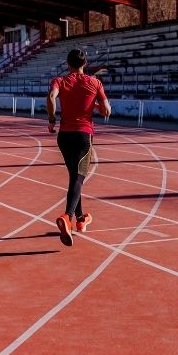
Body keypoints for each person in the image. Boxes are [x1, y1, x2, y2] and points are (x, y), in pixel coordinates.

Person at [46, 48, 111, 246]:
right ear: (85, 64)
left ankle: (81, 219)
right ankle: (67, 217)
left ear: (68, 64)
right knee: (77, 177)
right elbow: (107, 111)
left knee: (75, 177)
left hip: (64, 136)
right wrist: (96, 106)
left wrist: (51, 120)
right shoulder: (95, 83)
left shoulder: (60, 81)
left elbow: (50, 98)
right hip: (83, 135)